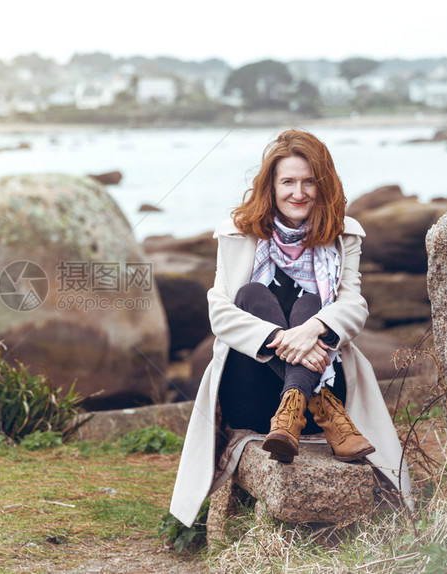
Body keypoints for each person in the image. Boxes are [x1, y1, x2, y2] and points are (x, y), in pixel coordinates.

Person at [169, 129, 412, 528]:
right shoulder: (236, 232)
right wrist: (285, 339)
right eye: (288, 182)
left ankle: (298, 405)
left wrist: (313, 326)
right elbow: (220, 313)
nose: (298, 192)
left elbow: (353, 305)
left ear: (323, 184)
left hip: (313, 402)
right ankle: (317, 404)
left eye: (308, 181)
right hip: (250, 389)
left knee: (312, 302)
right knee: (251, 295)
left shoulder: (343, 235)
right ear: (271, 186)